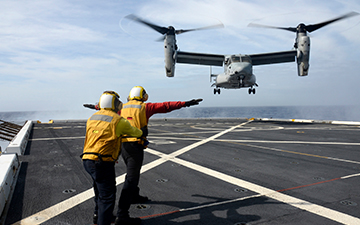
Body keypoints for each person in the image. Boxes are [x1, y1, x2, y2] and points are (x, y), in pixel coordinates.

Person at [115, 86, 202, 225]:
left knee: (133, 173)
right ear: (143, 96)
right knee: (131, 178)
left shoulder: (122, 108)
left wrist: (95, 106)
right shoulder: (145, 107)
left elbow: (106, 109)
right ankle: (122, 215)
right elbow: (166, 106)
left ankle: (134, 196)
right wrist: (185, 103)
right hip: (135, 146)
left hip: (123, 147)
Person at [82, 91, 143, 225]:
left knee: (98, 191)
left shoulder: (92, 118)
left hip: (87, 160)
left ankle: (98, 216)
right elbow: (134, 132)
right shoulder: (118, 120)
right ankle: (103, 221)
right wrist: (141, 132)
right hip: (102, 162)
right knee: (107, 197)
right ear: (115, 104)